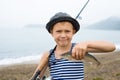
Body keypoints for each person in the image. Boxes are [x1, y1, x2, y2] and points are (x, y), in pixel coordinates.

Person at [31, 12, 116, 80]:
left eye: (67, 31)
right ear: (51, 33)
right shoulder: (48, 55)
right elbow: (37, 76)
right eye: (58, 31)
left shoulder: (80, 48)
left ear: (73, 32)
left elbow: (111, 47)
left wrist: (86, 44)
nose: (63, 35)